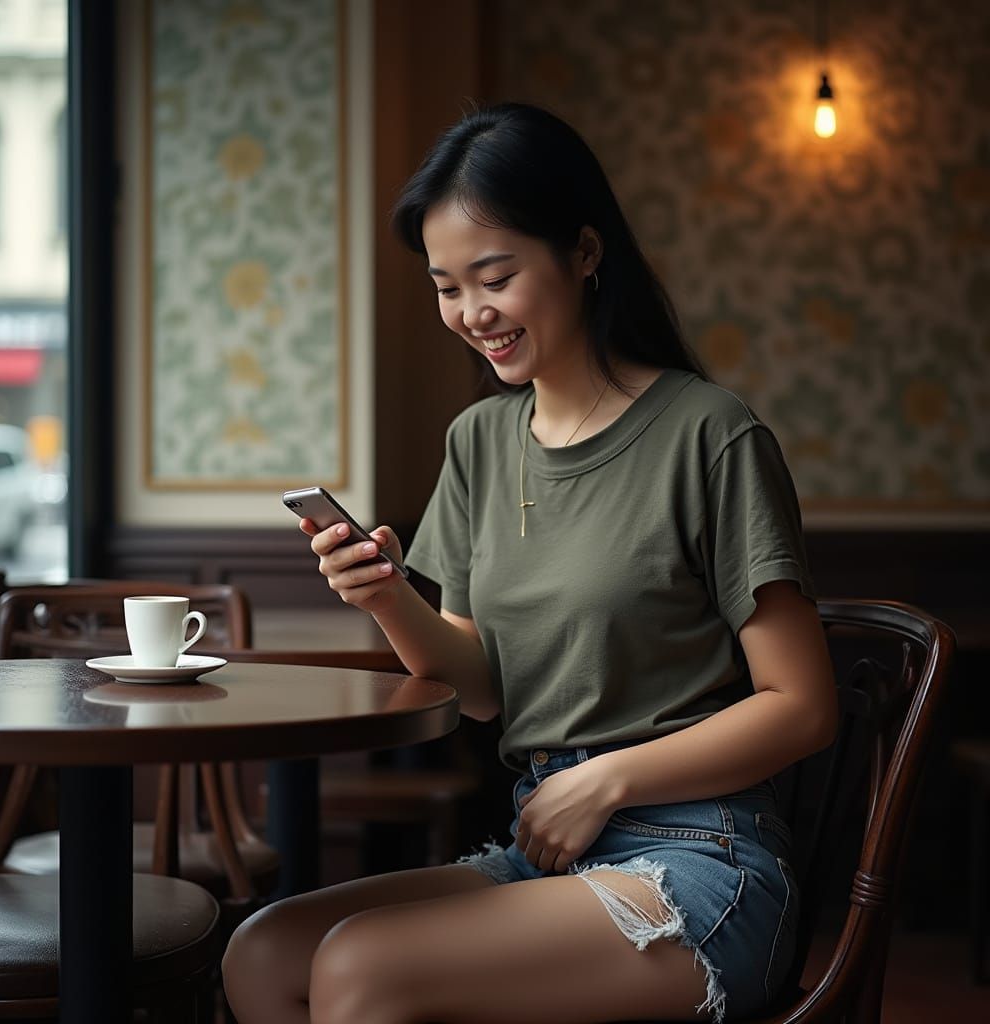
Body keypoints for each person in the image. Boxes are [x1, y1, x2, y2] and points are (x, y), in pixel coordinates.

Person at [222, 102, 838, 1024]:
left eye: (495, 276)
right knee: (264, 952)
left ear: (585, 253)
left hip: (699, 856)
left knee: (362, 968)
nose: (472, 313)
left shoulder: (709, 434)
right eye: (445, 286)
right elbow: (478, 688)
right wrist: (387, 598)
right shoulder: (478, 439)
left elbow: (804, 706)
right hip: (546, 846)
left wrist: (606, 778)